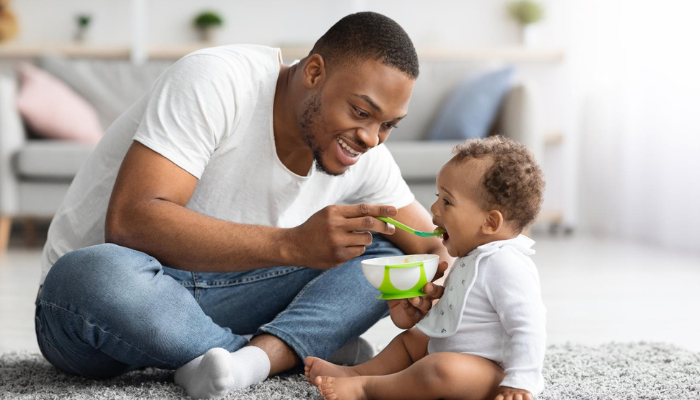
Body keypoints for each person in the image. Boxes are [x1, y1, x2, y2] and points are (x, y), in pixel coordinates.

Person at [34, 12, 452, 400]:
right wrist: (292, 245)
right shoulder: (217, 80)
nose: (371, 138)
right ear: (313, 72)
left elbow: (432, 247)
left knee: (384, 251)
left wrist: (435, 289)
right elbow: (130, 222)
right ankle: (280, 352)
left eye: (388, 126)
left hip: (228, 299)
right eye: (361, 112)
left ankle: (238, 361)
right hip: (111, 310)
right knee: (90, 274)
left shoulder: (363, 153)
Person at [305, 136, 547, 400]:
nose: (433, 209)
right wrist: (422, 318)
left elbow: (529, 327)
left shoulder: (506, 263)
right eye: (437, 197)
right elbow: (457, 318)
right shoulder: (472, 256)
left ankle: (368, 389)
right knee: (414, 339)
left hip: (490, 374)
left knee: (439, 369)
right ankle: (357, 373)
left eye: (447, 202)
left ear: (490, 222)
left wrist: (519, 383)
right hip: (454, 356)